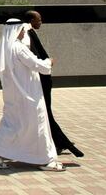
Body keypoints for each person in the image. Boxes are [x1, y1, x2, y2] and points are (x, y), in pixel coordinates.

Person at [0, 18, 64, 171]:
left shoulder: (4, 47)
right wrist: (49, 62)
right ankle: (45, 160)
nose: (24, 32)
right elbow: (37, 64)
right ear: (16, 30)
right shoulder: (18, 48)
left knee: (10, 125)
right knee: (38, 123)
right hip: (28, 95)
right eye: (22, 29)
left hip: (12, 96)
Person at [25, 11, 84, 158]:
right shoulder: (26, 35)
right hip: (39, 80)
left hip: (42, 78)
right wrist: (47, 63)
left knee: (45, 112)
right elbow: (33, 59)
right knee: (45, 112)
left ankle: (58, 142)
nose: (41, 22)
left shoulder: (30, 32)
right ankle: (61, 142)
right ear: (31, 20)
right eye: (39, 19)